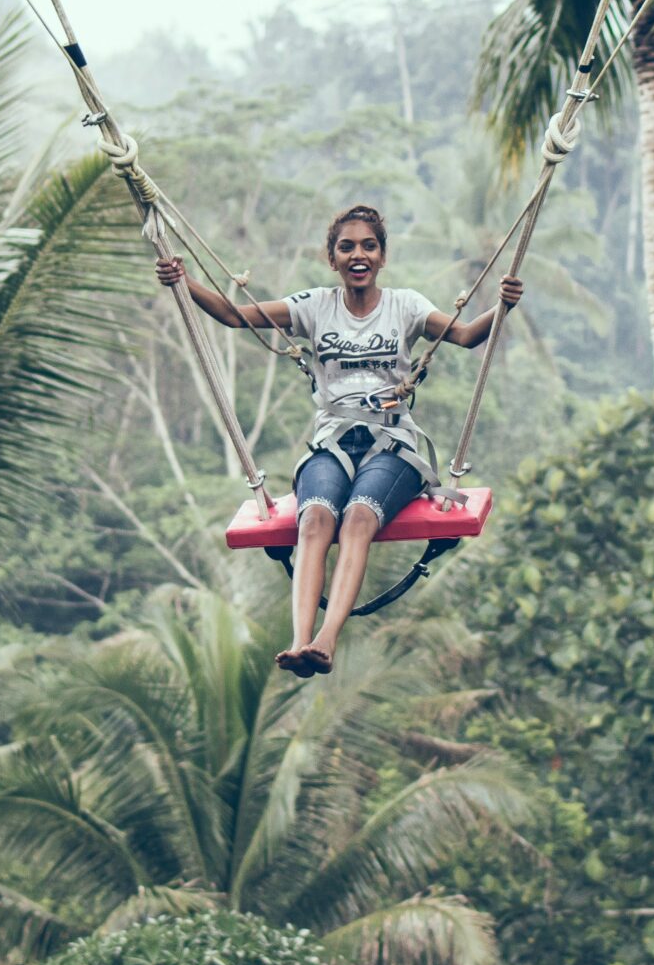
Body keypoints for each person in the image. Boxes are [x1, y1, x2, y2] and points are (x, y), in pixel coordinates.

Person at [157, 203, 520, 674]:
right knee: (313, 522)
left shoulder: (405, 306)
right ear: (332, 259)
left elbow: (468, 335)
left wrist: (502, 305)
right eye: (346, 247)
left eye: (368, 245)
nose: (358, 254)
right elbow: (234, 316)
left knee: (358, 518)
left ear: (382, 256)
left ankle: (326, 641)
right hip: (331, 442)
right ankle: (300, 640)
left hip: (393, 445)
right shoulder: (314, 306)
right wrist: (184, 281)